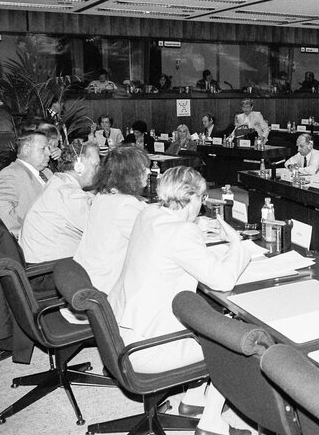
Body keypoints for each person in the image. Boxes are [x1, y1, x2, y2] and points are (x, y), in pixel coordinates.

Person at [108, 166, 250, 435]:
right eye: (203, 198)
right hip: (146, 347)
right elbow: (223, 281)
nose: (203, 204)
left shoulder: (148, 213)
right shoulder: (182, 234)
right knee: (231, 344)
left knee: (203, 319)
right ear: (192, 197)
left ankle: (192, 399)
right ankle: (211, 424)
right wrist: (236, 244)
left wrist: (194, 223)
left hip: (120, 331)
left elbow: (171, 235)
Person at [74, 146, 149, 294]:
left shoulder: (103, 196)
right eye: (143, 168)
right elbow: (152, 239)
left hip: (86, 280)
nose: (149, 171)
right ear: (129, 174)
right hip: (107, 288)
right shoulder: (126, 205)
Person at [19, 141, 101, 264]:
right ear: (79, 166)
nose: (98, 171)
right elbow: (102, 232)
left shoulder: (58, 182)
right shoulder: (70, 195)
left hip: (45, 264)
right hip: (49, 272)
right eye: (95, 165)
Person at [0, 131, 53, 238]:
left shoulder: (46, 172)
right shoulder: (13, 173)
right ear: (26, 149)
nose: (49, 153)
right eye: (43, 149)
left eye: (49, 149)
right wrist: (25, 233)